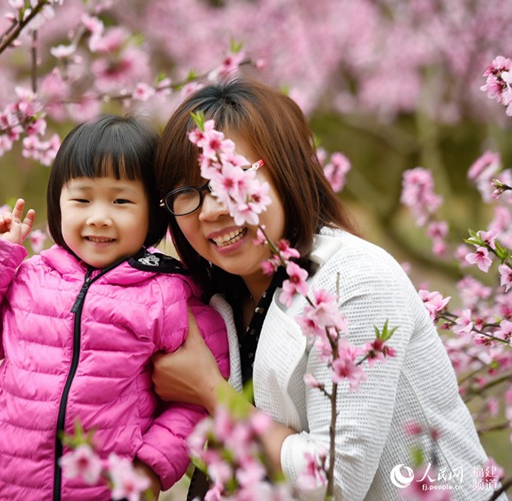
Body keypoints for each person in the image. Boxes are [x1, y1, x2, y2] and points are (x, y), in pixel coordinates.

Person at [147, 75, 499, 500]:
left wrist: (210, 391)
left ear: (286, 168)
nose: (214, 209)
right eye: (188, 193)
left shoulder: (354, 279)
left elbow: (335, 479)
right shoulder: (219, 302)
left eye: (232, 177)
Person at [0, 114, 230, 501]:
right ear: (58, 204)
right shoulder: (28, 277)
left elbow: (194, 402)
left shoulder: (168, 294)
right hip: (14, 490)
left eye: (121, 200)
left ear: (153, 212)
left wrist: (150, 470)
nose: (99, 216)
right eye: (81, 198)